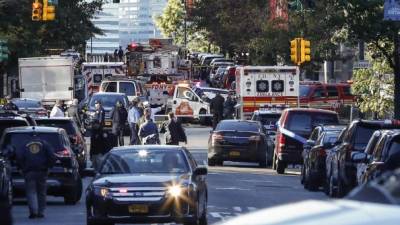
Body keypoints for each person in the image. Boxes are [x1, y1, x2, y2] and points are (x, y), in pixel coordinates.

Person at [14, 138, 56, 219]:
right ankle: (41, 212)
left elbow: (19, 156)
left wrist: (20, 167)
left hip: (28, 171)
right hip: (42, 170)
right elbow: (52, 155)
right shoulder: (45, 143)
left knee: (31, 192)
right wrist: (50, 166)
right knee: (42, 192)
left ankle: (33, 211)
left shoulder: (24, 145)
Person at [90, 100, 105, 171]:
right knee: (94, 147)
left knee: (97, 147)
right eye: (95, 104)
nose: (96, 105)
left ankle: (97, 164)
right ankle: (94, 163)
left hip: (98, 130)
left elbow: (100, 120)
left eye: (97, 103)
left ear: (100, 104)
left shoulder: (101, 110)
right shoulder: (97, 110)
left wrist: (97, 126)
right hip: (95, 129)